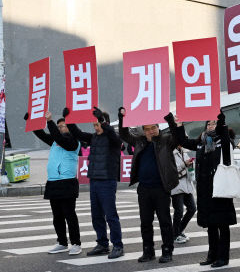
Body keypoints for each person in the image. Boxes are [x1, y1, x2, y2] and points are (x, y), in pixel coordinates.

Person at [168, 111, 237, 268]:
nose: (211, 125)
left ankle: (223, 257)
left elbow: (226, 140)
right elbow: (182, 140)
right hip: (205, 190)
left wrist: (221, 122)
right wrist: (177, 125)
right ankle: (212, 255)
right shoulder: (201, 143)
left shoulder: (224, 141)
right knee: (211, 224)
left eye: (214, 123)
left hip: (221, 189)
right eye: (209, 123)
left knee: (222, 224)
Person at [118, 107, 180, 263]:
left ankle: (167, 250)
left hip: (161, 188)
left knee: (164, 221)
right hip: (144, 189)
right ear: (143, 131)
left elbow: (178, 138)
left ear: (158, 128)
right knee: (145, 222)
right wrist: (122, 118)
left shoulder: (166, 140)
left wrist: (170, 120)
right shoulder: (140, 141)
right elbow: (124, 134)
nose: (150, 131)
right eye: (147, 129)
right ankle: (148, 251)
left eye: (153, 128)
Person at [67, 107, 124, 259]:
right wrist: (69, 120)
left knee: (111, 215)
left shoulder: (113, 138)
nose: (95, 128)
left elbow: (113, 135)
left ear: (104, 123)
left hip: (107, 181)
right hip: (94, 181)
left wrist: (103, 122)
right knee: (96, 215)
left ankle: (118, 246)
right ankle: (102, 244)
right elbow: (78, 134)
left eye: (97, 125)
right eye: (94, 126)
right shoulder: (94, 137)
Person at [27, 110, 82, 255]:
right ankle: (62, 242)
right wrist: (31, 122)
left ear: (70, 128)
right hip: (53, 182)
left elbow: (60, 139)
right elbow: (41, 134)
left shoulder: (73, 142)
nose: (61, 129)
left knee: (69, 214)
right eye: (59, 127)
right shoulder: (55, 141)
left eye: (63, 126)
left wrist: (50, 122)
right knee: (57, 216)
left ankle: (76, 243)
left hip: (67, 182)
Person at [171, 144, 197, 244]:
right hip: (176, 185)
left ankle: (178, 230)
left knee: (192, 208)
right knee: (179, 211)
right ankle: (175, 235)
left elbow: (188, 167)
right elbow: (171, 169)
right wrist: (184, 164)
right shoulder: (170, 152)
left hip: (187, 184)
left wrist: (190, 164)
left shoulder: (184, 152)